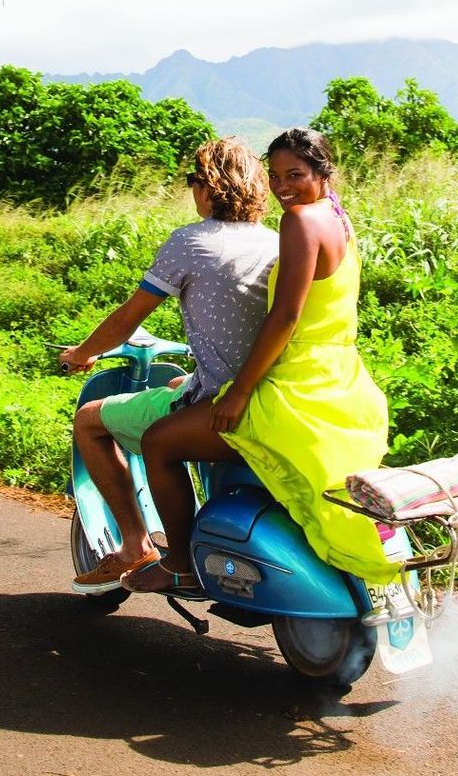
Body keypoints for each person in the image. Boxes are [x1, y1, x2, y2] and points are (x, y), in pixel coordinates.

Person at [126, 127, 395, 594]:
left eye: (295, 174)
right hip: (340, 381)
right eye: (273, 176)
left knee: (158, 442)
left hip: (293, 387)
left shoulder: (299, 222)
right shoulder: (338, 218)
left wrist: (242, 392)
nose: (282, 187)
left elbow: (286, 315)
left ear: (322, 171)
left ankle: (179, 566)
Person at [57, 137, 277, 590]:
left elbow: (126, 318)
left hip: (226, 404)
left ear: (211, 187)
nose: (193, 189)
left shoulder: (190, 242)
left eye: (195, 181)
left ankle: (144, 548)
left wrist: (83, 353)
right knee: (180, 381)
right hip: (271, 395)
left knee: (89, 422)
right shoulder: (278, 245)